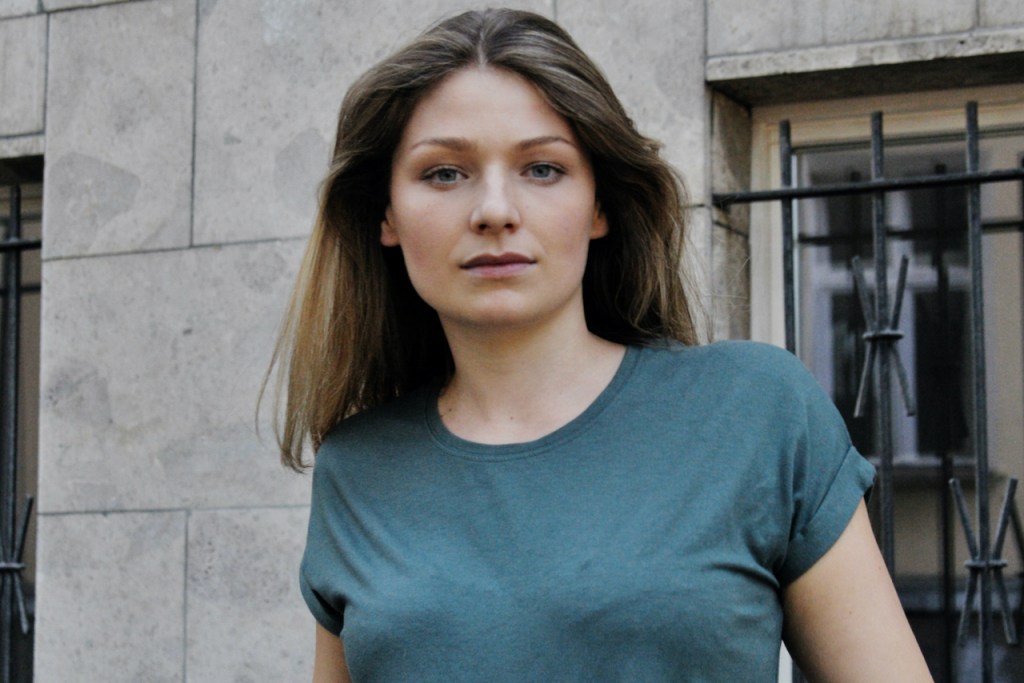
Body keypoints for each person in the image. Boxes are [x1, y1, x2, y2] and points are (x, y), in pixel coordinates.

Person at [270, 8, 933, 682]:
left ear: (599, 206)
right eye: (444, 173)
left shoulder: (756, 411)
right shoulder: (358, 468)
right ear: (385, 214)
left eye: (542, 168)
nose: (494, 210)